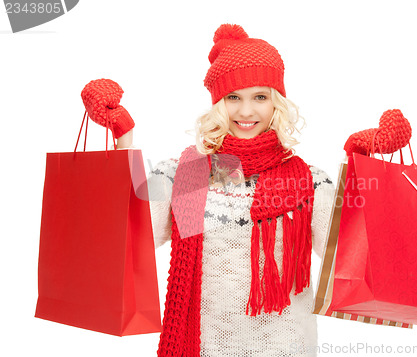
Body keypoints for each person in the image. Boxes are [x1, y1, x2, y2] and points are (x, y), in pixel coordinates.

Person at [82, 23, 335, 357]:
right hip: (204, 346)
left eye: (260, 97)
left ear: (277, 102)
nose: (246, 112)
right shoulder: (187, 174)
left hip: (287, 347)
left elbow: (342, 254)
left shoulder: (310, 180)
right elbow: (131, 235)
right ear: (218, 103)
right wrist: (123, 142)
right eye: (234, 98)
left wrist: (359, 168)